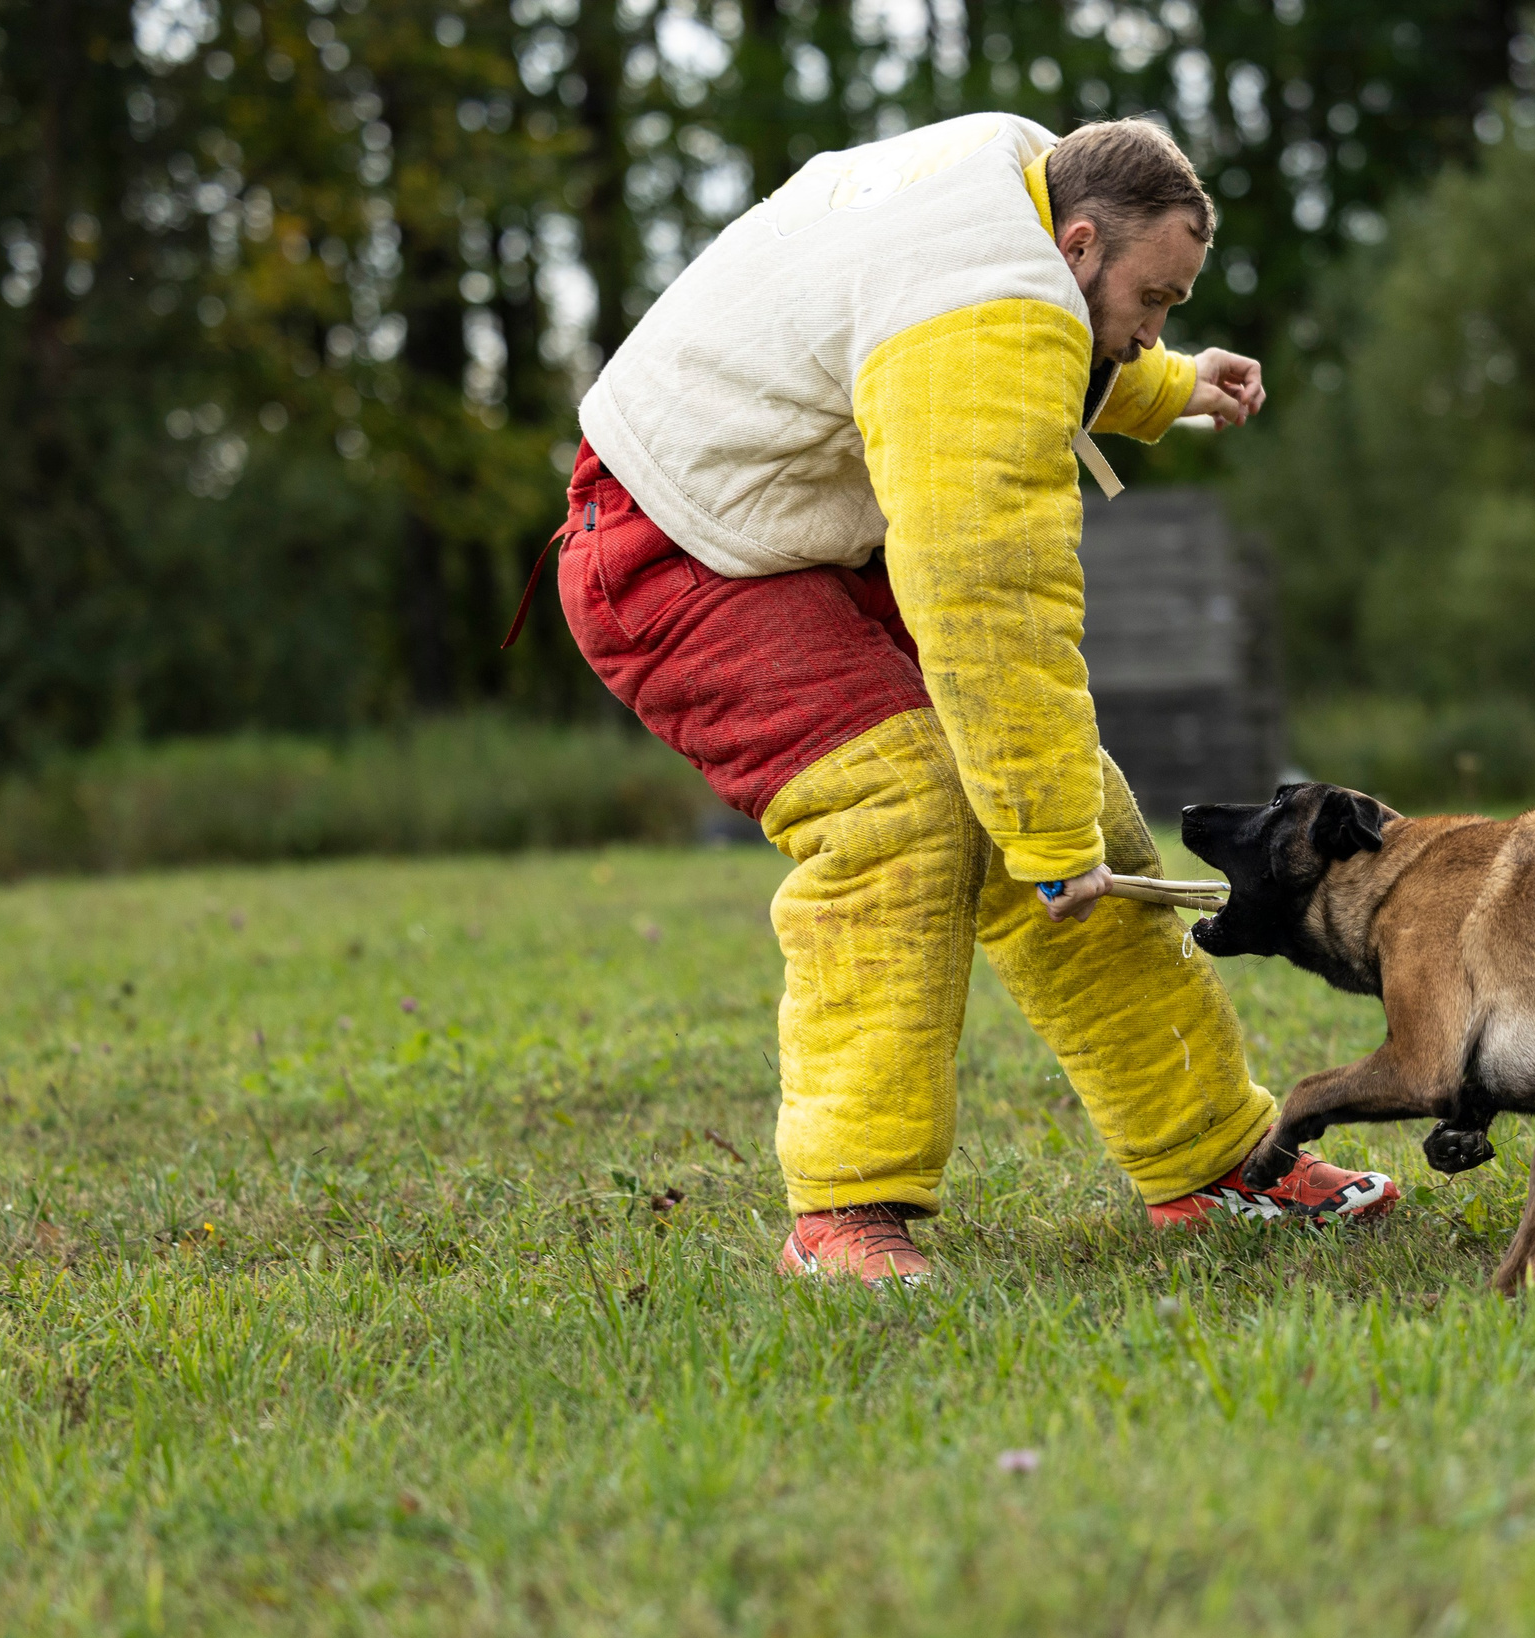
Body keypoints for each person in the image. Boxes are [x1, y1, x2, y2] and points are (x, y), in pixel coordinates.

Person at [544, 112, 1396, 1282]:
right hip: (671, 550)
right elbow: (990, 593)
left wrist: (1163, 384)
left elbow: (1006, 367)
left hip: (794, 538)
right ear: (1081, 241)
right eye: (1155, 300)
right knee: (906, 810)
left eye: (1175, 310)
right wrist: (1038, 836)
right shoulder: (990, 300)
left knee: (1076, 816)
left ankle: (1212, 1163)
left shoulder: (1019, 189)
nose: (1154, 324)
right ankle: (840, 1217)